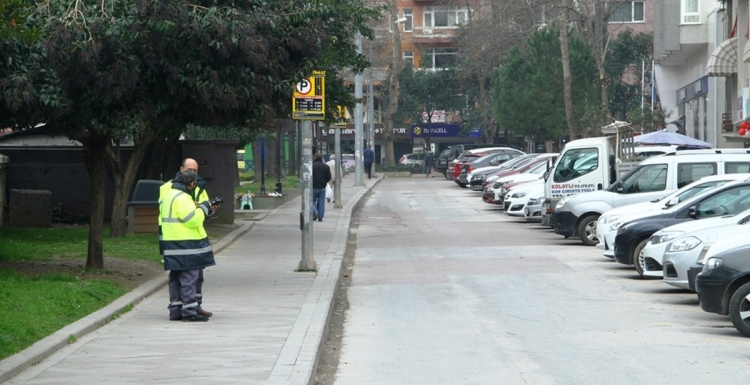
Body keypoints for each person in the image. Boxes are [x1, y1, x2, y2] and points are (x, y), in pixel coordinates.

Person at [158, 158, 217, 320]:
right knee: (190, 278)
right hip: (187, 243)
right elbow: (192, 219)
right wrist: (204, 208)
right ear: (191, 184)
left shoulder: (170, 194)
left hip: (171, 241)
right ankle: (189, 312)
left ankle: (176, 310)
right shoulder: (183, 198)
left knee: (176, 277)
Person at [312, 153, 331, 221]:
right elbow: (329, 177)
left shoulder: (312, 166)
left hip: (313, 187)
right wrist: (325, 182)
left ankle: (315, 211)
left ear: (315, 158)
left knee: (312, 201)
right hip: (322, 187)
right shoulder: (326, 166)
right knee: (321, 202)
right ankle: (320, 217)